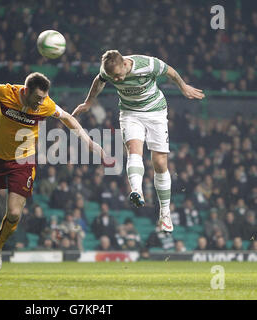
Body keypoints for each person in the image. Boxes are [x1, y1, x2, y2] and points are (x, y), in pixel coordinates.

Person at [0, 56, 114, 278]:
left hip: (22, 160)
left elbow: (68, 119)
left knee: (14, 213)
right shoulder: (7, 93)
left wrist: (91, 144)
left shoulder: (45, 105)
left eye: (43, 98)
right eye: (37, 97)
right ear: (25, 91)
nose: (39, 103)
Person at [72, 50, 205, 233]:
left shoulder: (147, 64)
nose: (117, 80)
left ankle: (165, 212)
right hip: (130, 113)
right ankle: (137, 191)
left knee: (159, 162)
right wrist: (88, 102)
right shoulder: (108, 71)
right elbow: (99, 81)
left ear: (125, 64)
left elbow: (170, 72)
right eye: (113, 78)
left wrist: (183, 87)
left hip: (155, 112)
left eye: (118, 76)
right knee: (134, 151)